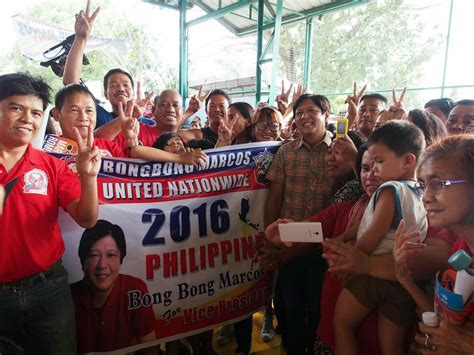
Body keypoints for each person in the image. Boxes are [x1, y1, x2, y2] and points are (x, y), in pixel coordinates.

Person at [0, 73, 100, 354]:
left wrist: (87, 176)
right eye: (16, 108)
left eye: (35, 112)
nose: (27, 119)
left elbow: (87, 218)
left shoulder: (51, 166)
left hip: (49, 290)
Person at [332, 121, 427, 354]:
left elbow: (373, 231)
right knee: (392, 348)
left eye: (379, 162)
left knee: (342, 325)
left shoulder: (389, 189)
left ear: (408, 161)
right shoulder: (421, 192)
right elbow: (367, 222)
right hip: (402, 281)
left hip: (371, 275)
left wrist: (353, 261)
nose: (373, 169)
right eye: (370, 163)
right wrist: (343, 237)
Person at [392, 135, 474, 354]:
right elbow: (447, 321)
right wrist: (406, 280)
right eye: (423, 185)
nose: (425, 197)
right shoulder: (461, 249)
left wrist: (467, 345)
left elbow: (459, 339)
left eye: (438, 184)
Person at [265, 94, 333, 354]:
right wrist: (269, 236)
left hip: (323, 248)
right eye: (299, 112)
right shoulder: (286, 151)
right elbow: (275, 196)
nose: (304, 117)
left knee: (319, 308)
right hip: (289, 245)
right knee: (288, 306)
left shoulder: (341, 152)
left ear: (325, 114)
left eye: (311, 111)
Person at [63, 1, 154, 128]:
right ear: (106, 94)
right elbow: (71, 84)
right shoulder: (99, 116)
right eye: (113, 85)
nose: (121, 89)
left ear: (133, 93)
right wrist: (80, 38)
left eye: (125, 85)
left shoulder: (149, 124)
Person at [71, 220, 157, 353]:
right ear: (83, 261)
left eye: (111, 255)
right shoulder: (68, 297)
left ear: (120, 260)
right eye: (94, 255)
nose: (102, 265)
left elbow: (150, 348)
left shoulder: (135, 290)